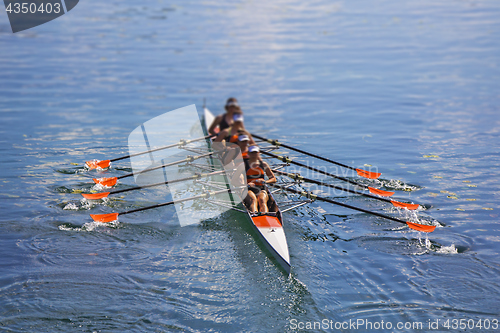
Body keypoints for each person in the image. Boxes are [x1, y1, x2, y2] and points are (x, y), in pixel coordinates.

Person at [244, 145, 277, 213]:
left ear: (258, 153)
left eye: (255, 152)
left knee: (262, 200)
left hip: (261, 188)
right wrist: (246, 184)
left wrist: (265, 181)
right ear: (248, 153)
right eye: (252, 152)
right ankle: (255, 215)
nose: (254, 154)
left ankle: (265, 216)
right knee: (253, 200)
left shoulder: (264, 164)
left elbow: (274, 179)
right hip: (248, 188)